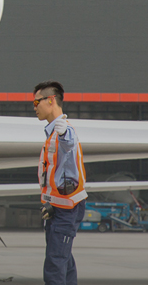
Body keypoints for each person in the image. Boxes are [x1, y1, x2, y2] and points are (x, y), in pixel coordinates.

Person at [34, 80, 87, 285]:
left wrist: (64, 132)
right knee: (64, 261)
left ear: (51, 100)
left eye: (37, 101)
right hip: (57, 208)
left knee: (55, 263)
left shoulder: (63, 132)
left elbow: (69, 143)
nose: (34, 107)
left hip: (67, 210)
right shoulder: (51, 134)